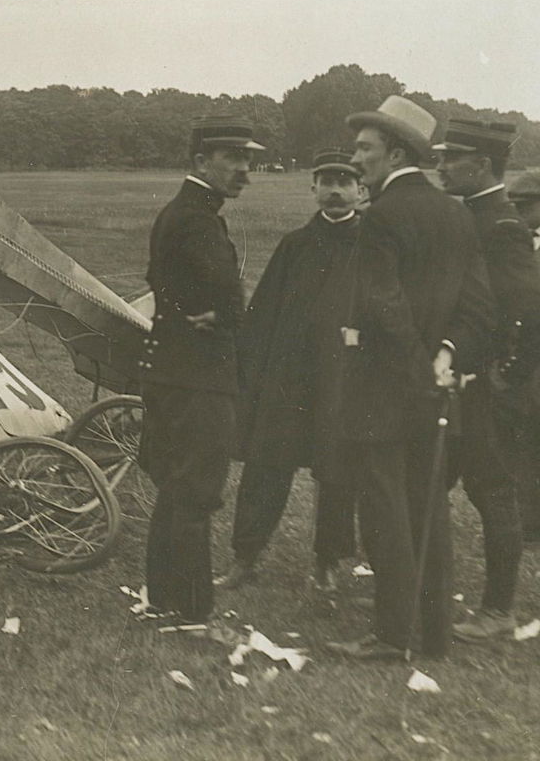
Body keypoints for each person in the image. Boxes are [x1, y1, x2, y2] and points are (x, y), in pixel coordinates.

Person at [326, 97, 494, 661]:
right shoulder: (458, 214)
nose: (356, 160)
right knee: (429, 509)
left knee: (385, 510)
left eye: (364, 149)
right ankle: (436, 636)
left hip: (384, 386)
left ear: (395, 153)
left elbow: (384, 304)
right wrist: (447, 356)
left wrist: (419, 363)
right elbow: (478, 308)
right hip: (436, 387)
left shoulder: (383, 216)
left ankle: (393, 635)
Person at [136, 114, 263, 625]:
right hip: (198, 377)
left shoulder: (184, 212)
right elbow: (230, 297)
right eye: (234, 159)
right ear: (200, 162)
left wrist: (219, 309)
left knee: (175, 490)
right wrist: (231, 314)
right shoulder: (196, 218)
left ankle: (165, 601)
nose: (245, 172)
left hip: (172, 369)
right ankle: (191, 615)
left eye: (248, 161)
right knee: (194, 494)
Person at [220, 149, 363, 592]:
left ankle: (327, 563)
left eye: (346, 181)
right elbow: (261, 316)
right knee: (267, 464)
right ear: (314, 187)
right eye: (327, 181)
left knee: (337, 470)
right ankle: (246, 558)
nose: (336, 190)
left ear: (361, 189)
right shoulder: (294, 246)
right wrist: (251, 374)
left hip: (343, 380)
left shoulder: (372, 246)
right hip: (287, 381)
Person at [432, 119, 540, 638]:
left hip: (485, 392)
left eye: (452, 157)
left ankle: (499, 611)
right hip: (458, 383)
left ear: (481, 164)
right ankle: (425, 589)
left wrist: (508, 378)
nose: (442, 165)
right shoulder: (469, 215)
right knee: (432, 481)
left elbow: (524, 312)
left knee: (493, 491)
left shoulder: (502, 225)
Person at [505, 169, 540, 540]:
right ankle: (529, 521)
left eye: (526, 206)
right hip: (526, 358)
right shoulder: (515, 244)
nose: (518, 213)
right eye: (513, 205)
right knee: (525, 437)